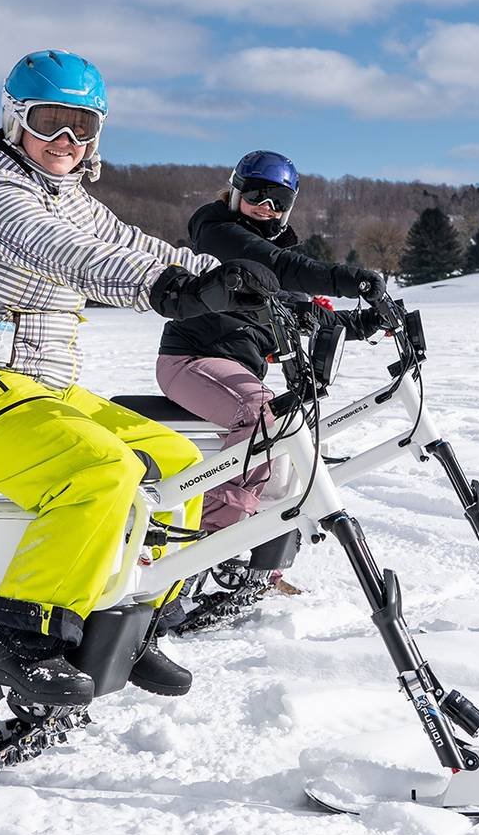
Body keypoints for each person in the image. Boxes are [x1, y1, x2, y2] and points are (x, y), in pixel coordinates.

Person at [0, 50, 277, 706]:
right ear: (14, 119)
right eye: (51, 122)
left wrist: (245, 283)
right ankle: (25, 634)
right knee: (102, 469)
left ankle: (137, 621)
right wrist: (172, 290)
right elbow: (66, 255)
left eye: (83, 126)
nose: (67, 142)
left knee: (179, 462)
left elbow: (137, 246)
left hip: (39, 387)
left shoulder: (69, 197)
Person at [154, 151, 386, 606]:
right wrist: (350, 279)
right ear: (236, 191)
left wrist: (363, 323)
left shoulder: (275, 254)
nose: (267, 207)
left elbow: (304, 312)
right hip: (191, 360)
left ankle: (262, 561)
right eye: (257, 195)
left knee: (292, 436)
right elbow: (278, 269)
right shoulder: (218, 232)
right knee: (260, 414)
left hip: (236, 370)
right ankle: (210, 547)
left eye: (278, 200)